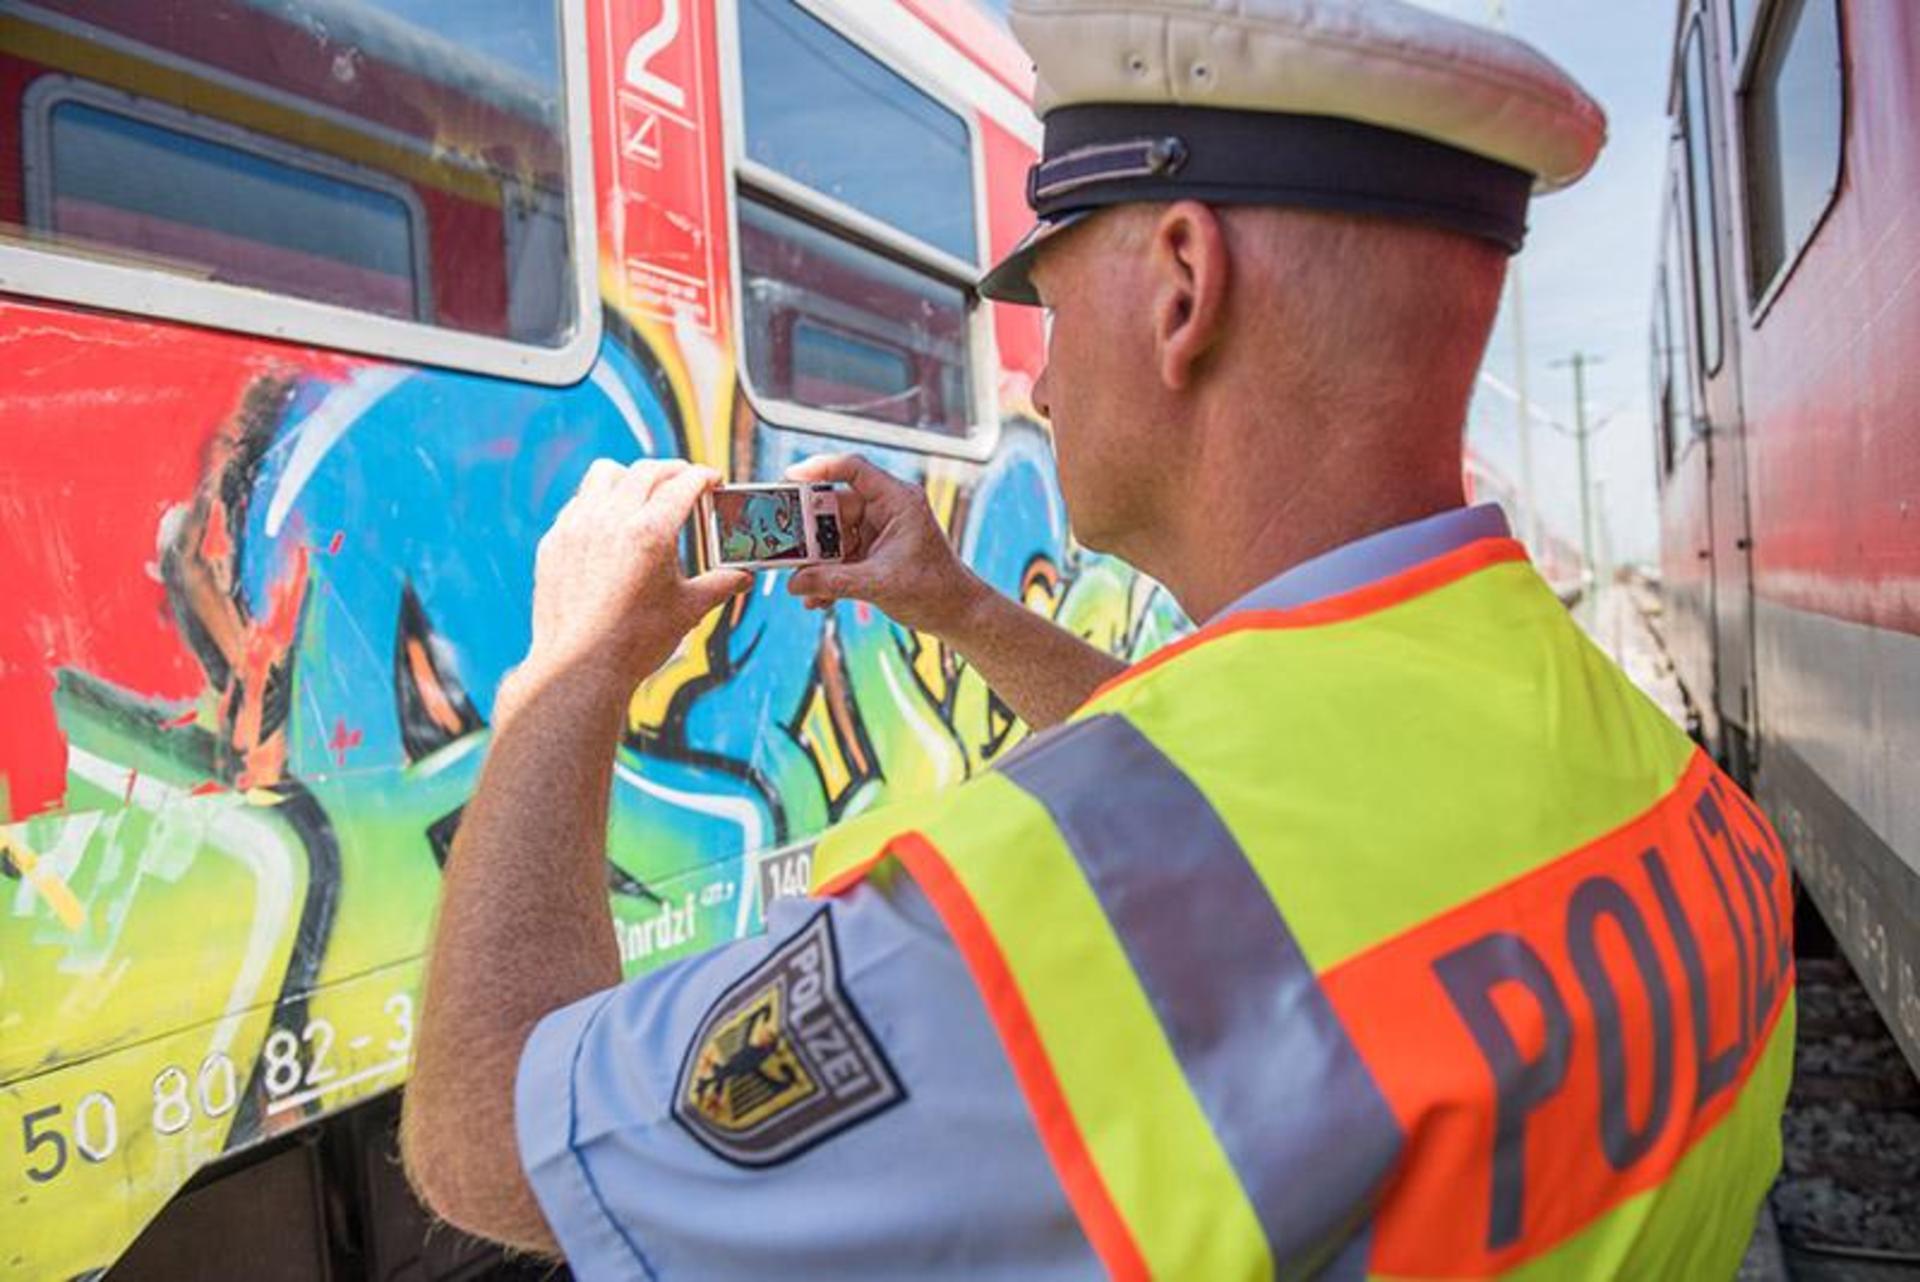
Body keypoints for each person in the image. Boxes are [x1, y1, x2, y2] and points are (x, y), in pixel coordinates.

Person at [402, 1, 1795, 1278]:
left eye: (1054, 308)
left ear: (1184, 285)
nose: (1046, 381)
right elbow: (1230, 804)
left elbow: (485, 1129)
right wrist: (953, 603)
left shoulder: (1008, 940)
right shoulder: (1661, 785)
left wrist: (569, 669)